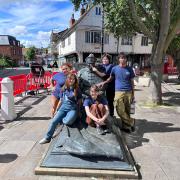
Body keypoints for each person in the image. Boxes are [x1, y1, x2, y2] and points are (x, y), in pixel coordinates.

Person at [97, 52, 135, 132]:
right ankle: (131, 121)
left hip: (128, 91)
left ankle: (126, 127)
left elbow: (132, 82)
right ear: (119, 59)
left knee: (127, 110)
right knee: (119, 109)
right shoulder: (115, 68)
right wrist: (103, 83)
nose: (123, 59)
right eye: (121, 58)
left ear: (126, 59)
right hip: (118, 91)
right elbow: (110, 78)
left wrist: (133, 93)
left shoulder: (129, 69)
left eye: (124, 58)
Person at [39, 73, 82, 144]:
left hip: (72, 108)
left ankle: (61, 121)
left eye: (73, 79)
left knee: (68, 122)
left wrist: (79, 111)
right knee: (53, 121)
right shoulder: (64, 88)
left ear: (75, 80)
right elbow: (61, 100)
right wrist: (57, 110)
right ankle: (47, 137)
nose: (71, 80)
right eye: (70, 79)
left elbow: (80, 100)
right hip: (63, 107)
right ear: (67, 80)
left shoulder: (77, 89)